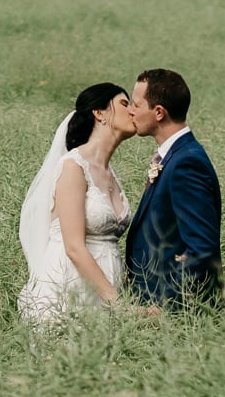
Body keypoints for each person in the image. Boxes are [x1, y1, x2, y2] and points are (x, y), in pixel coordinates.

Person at [17, 83, 139, 323]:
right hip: (71, 288)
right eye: (124, 104)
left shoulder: (109, 172)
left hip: (106, 287)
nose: (133, 111)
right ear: (99, 113)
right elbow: (73, 246)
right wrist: (118, 304)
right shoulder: (74, 166)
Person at [124, 68, 222, 312]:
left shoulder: (186, 163)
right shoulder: (173, 157)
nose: (130, 111)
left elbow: (202, 249)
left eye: (136, 104)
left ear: (158, 112)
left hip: (177, 315)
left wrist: (163, 305)